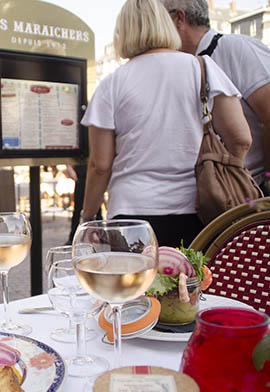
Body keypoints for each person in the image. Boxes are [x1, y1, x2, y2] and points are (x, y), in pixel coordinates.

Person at [81, 0, 251, 248]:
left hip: (131, 215)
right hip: (198, 210)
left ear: (124, 31)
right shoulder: (202, 68)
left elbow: (100, 165)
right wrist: (217, 174)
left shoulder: (112, 84)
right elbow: (241, 138)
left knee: (135, 286)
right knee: (193, 284)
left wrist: (88, 216)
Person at [160, 0, 270, 194]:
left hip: (251, 194)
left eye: (159, 20)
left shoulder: (235, 48)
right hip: (221, 195)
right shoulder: (182, 65)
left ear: (179, 19)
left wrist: (268, 183)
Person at [64, 164, 102, 245]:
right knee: (77, 209)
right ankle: (73, 237)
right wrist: (70, 169)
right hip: (81, 177)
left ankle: (101, 235)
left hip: (92, 177)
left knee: (98, 210)